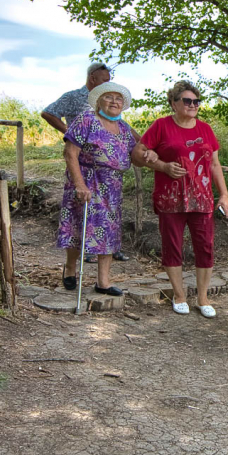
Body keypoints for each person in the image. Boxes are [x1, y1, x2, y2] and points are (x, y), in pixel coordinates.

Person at [131, 81, 228, 318]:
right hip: (170, 199)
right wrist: (162, 166)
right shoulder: (161, 126)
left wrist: (224, 194)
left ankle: (203, 298)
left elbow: (214, 164)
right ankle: (179, 295)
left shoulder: (205, 129)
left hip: (202, 199)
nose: (193, 105)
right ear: (173, 103)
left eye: (196, 101)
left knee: (205, 247)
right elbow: (136, 156)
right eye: (187, 101)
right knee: (172, 246)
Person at [42, 62, 135, 263]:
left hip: (109, 177)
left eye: (116, 95)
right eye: (104, 81)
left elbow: (128, 136)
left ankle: (104, 257)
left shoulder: (114, 112)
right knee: (78, 219)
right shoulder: (74, 98)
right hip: (84, 167)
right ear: (93, 78)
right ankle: (73, 265)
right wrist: (70, 132)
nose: (109, 87)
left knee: (108, 219)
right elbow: (48, 112)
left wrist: (148, 148)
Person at [58, 82, 138, 297]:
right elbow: (70, 153)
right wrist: (79, 184)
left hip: (111, 186)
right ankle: (71, 268)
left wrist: (154, 157)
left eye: (118, 98)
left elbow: (138, 152)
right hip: (86, 180)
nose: (114, 102)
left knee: (108, 231)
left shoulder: (124, 128)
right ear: (99, 100)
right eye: (109, 97)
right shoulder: (87, 120)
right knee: (78, 225)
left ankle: (103, 282)